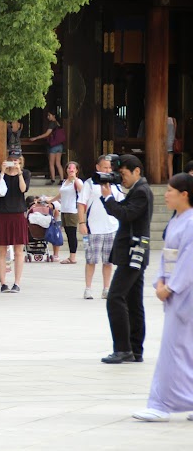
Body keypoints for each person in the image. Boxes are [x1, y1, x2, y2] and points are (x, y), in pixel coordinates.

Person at [132, 173, 193, 422]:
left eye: (170, 191)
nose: (165, 195)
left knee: (174, 348)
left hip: (185, 291)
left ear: (184, 194)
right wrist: (160, 280)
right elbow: (167, 255)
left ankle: (161, 404)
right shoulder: (177, 219)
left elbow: (189, 260)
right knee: (182, 348)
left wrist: (171, 287)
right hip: (173, 287)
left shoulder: (191, 222)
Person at [99, 154, 154, 364]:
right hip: (135, 250)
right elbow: (123, 211)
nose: (121, 178)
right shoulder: (138, 190)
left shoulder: (141, 191)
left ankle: (123, 349)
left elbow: (126, 214)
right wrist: (109, 198)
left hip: (133, 251)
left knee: (115, 297)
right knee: (133, 301)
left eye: (123, 174)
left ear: (136, 171)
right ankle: (135, 349)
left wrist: (108, 198)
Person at [78, 155, 123, 300]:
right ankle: (88, 288)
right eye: (105, 167)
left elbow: (121, 203)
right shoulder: (90, 183)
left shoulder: (115, 184)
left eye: (110, 167)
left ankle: (106, 288)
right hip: (94, 228)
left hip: (112, 227)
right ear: (98, 167)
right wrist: (82, 222)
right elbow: (81, 204)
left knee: (108, 261)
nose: (108, 170)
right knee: (91, 260)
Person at [0, 151, 30, 293]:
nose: (14, 162)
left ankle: (17, 282)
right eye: (11, 159)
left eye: (17, 160)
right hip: (3, 213)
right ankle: (3, 283)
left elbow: (23, 189)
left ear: (21, 161)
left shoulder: (25, 173)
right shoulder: (1, 173)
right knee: (2, 250)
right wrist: (3, 172)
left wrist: (19, 172)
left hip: (18, 213)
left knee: (18, 251)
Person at [49, 161, 84, 264]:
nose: (71, 170)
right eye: (69, 168)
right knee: (68, 234)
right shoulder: (65, 181)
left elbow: (82, 191)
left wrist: (75, 179)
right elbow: (61, 194)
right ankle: (71, 256)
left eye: (73, 168)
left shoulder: (78, 181)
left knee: (72, 234)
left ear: (77, 170)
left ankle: (72, 257)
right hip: (64, 210)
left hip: (72, 211)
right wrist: (50, 201)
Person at [28, 111, 64, 184]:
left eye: (49, 115)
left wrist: (36, 138)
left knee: (51, 163)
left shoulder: (52, 123)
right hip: (60, 145)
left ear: (53, 115)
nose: (48, 117)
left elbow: (47, 134)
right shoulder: (58, 123)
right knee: (58, 163)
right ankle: (61, 179)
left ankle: (53, 180)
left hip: (53, 145)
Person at [167, 116, 177, 181]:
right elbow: (174, 131)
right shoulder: (173, 120)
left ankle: (163, 177)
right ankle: (170, 178)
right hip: (171, 141)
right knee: (170, 162)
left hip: (162, 142)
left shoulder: (160, 119)